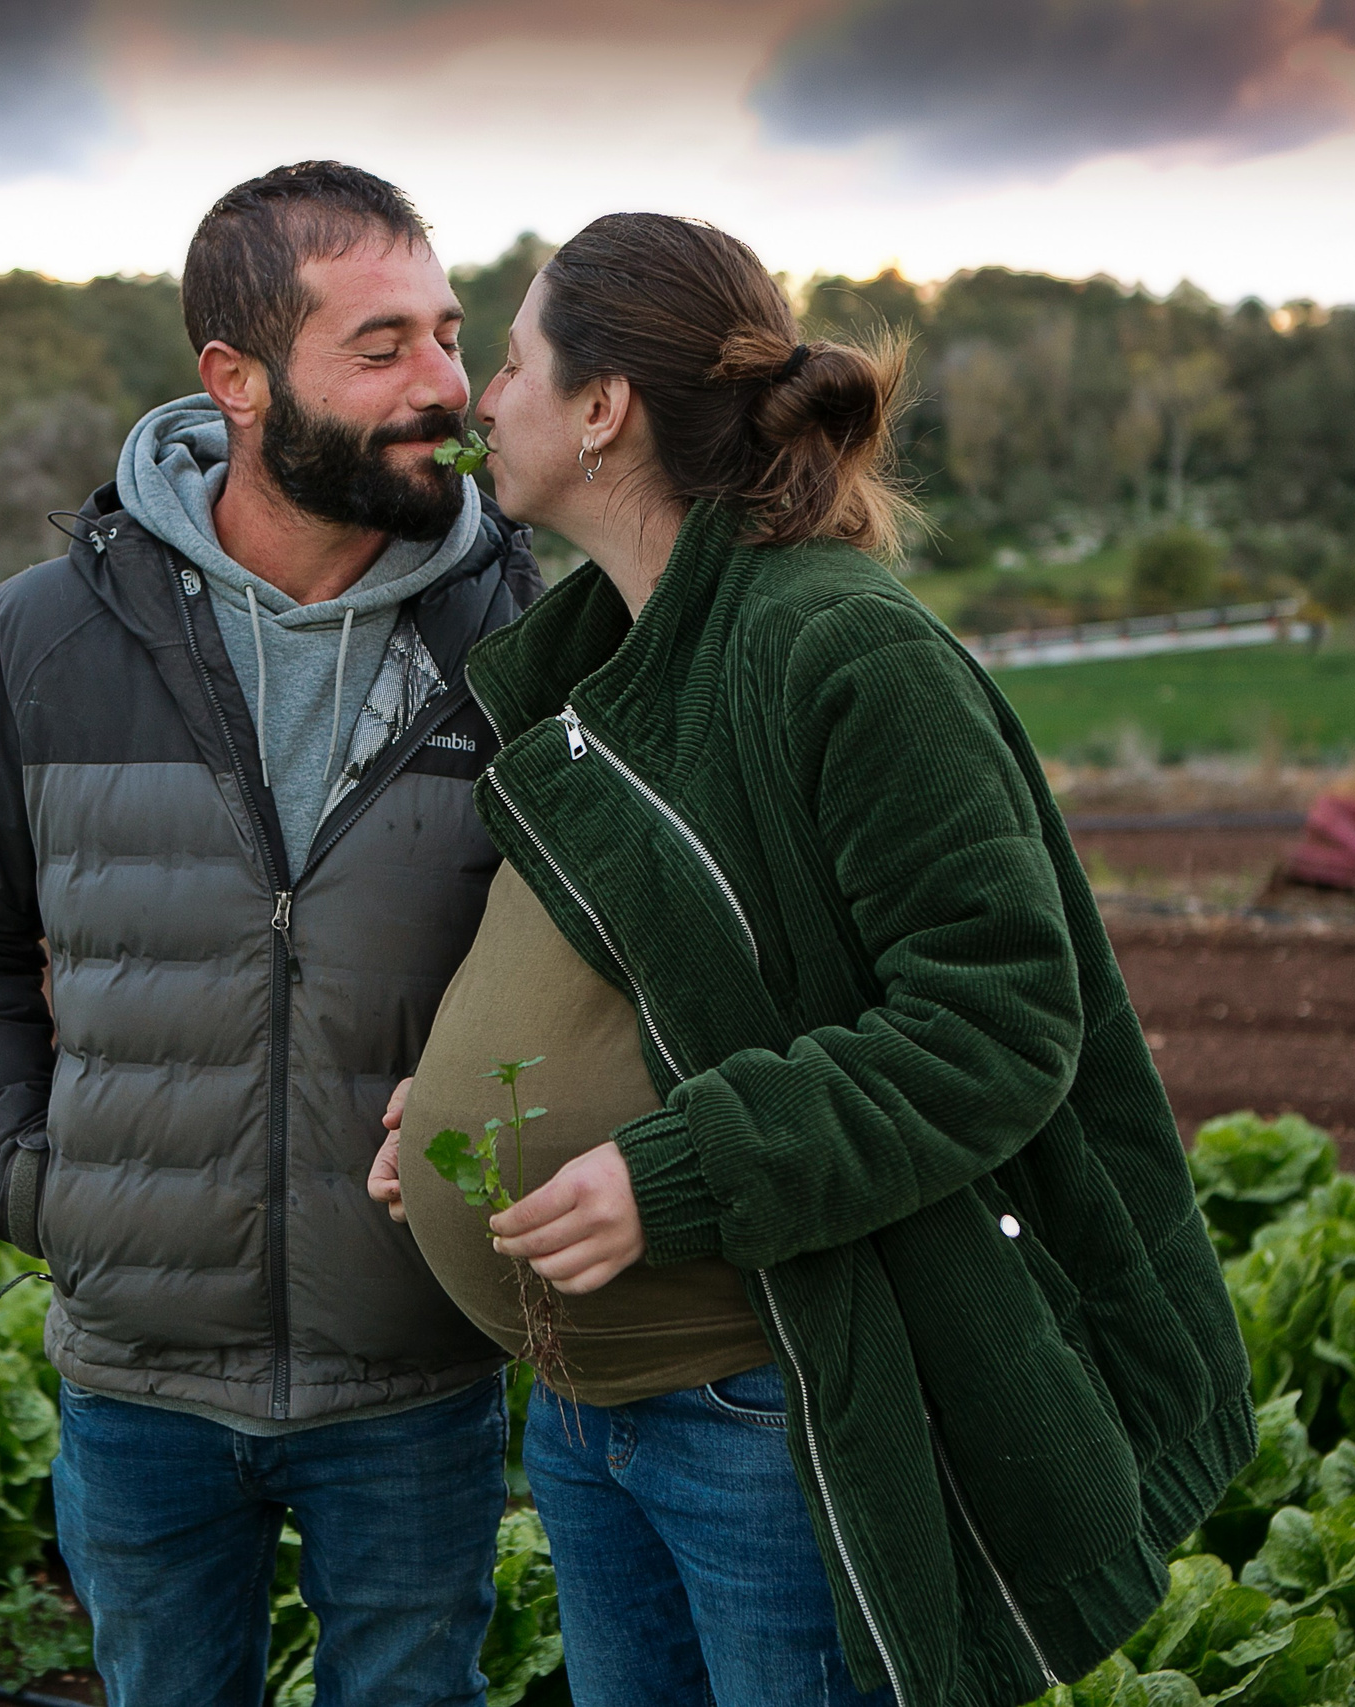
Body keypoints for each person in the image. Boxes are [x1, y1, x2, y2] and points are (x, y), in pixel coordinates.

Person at [367, 213, 1253, 1707]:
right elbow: (617, 967)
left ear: (602, 410)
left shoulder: (841, 649)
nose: (477, 400)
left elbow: (997, 1025)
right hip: (591, 1417)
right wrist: (456, 1126)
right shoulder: (598, 655)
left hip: (771, 1413)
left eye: (509, 364)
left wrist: (674, 1173)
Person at [0, 160, 544, 1707]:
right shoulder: (43, 638)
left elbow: (599, 954)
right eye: (379, 347)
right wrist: (30, 1175)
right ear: (235, 383)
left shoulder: (528, 639)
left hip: (416, 1362)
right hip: (139, 1377)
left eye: (449, 335)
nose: (443, 383)